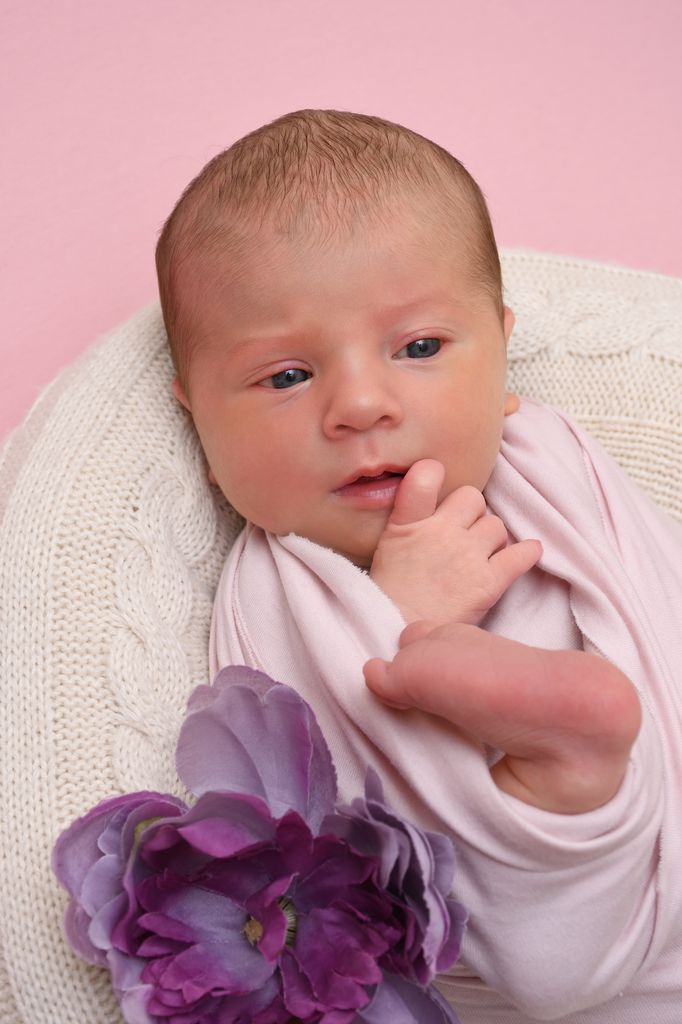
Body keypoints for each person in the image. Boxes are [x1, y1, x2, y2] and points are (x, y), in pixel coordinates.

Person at [155, 109, 682, 1022]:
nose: (362, 405)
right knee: (552, 960)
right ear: (198, 420)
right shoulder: (280, 575)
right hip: (553, 948)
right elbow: (315, 794)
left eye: (421, 348)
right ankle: (568, 768)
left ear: (502, 355)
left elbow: (657, 592)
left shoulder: (554, 459)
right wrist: (397, 617)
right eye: (287, 376)